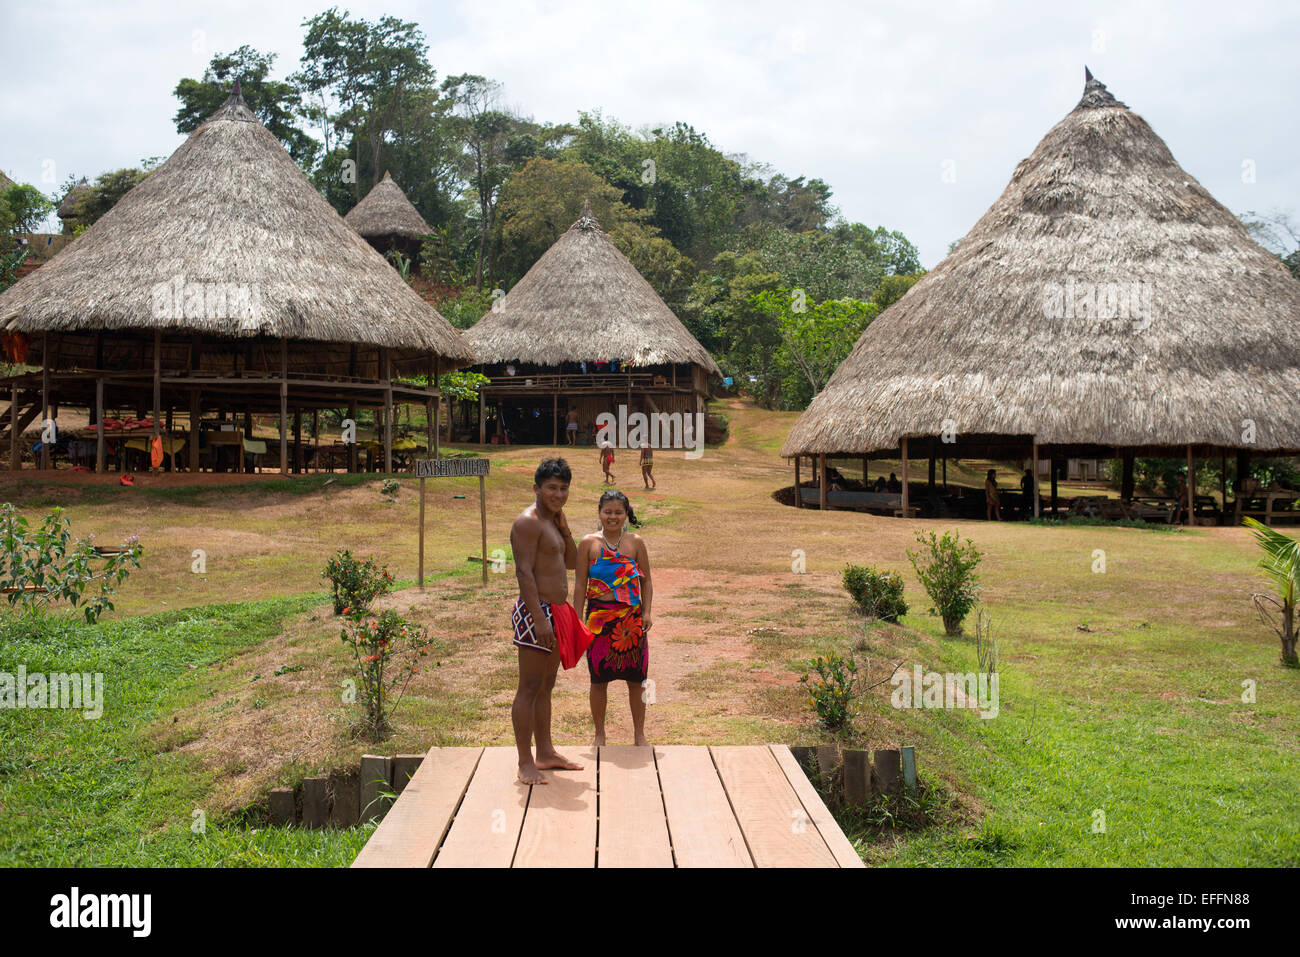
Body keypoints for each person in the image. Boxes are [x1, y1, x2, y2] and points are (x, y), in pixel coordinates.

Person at [508, 458, 590, 785]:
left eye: (563, 488)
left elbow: (571, 562)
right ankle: (525, 761)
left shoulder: (553, 521)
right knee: (528, 687)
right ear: (537, 489)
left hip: (556, 612)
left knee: (546, 686)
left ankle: (544, 752)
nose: (558, 494)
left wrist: (565, 527)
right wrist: (539, 620)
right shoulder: (527, 523)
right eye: (552, 488)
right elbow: (523, 573)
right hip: (535, 613)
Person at [575, 491, 653, 747]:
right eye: (608, 512)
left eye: (618, 512)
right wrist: (577, 620)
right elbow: (579, 584)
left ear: (626, 514)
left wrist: (647, 612)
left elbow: (646, 581)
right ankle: (599, 733)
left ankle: (639, 734)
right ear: (599, 513)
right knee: (598, 679)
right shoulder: (587, 543)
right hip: (598, 619)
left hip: (630, 620)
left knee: (638, 679)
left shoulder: (636, 542)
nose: (613, 517)